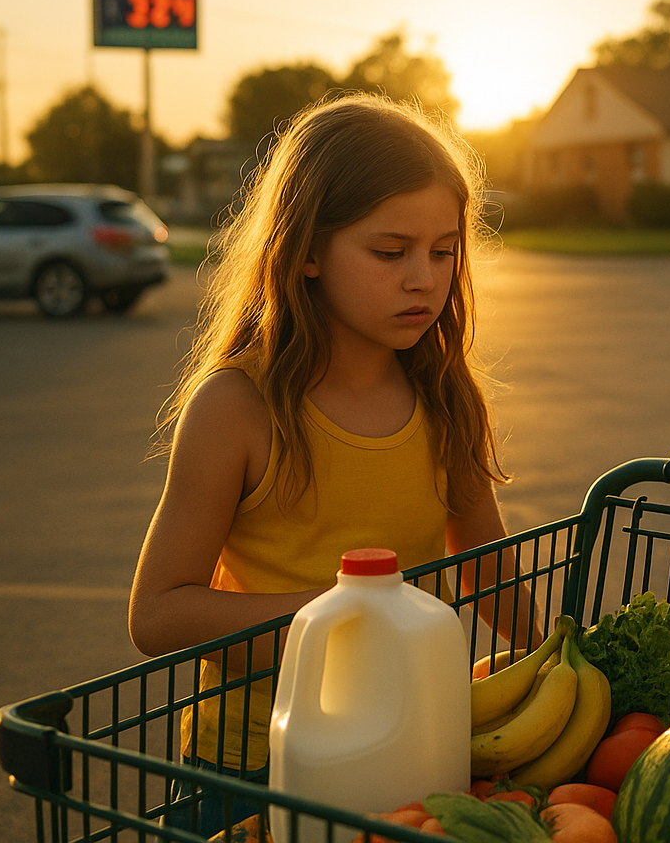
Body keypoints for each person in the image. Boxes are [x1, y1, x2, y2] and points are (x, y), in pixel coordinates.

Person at [128, 95, 532, 838]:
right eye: (390, 252)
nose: (424, 278)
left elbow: (489, 568)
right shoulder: (236, 407)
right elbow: (156, 614)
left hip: (417, 748)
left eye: (444, 251)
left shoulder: (446, 396)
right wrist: (345, 619)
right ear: (307, 249)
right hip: (255, 765)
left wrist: (563, 662)